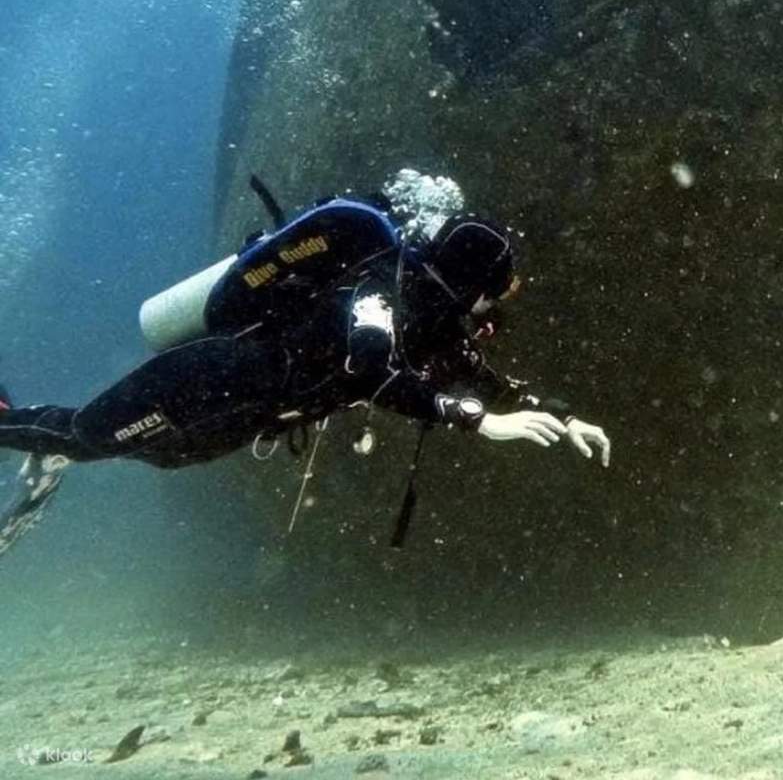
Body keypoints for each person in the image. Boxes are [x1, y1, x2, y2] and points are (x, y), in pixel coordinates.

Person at [0, 170, 610, 554]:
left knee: (160, 454)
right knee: (88, 434)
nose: (490, 312)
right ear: (466, 279)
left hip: (247, 417)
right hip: (212, 377)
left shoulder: (431, 323)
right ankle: (24, 426)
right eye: (493, 293)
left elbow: (484, 378)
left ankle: (54, 452)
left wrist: (562, 417)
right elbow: (371, 371)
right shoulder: (377, 293)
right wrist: (471, 419)